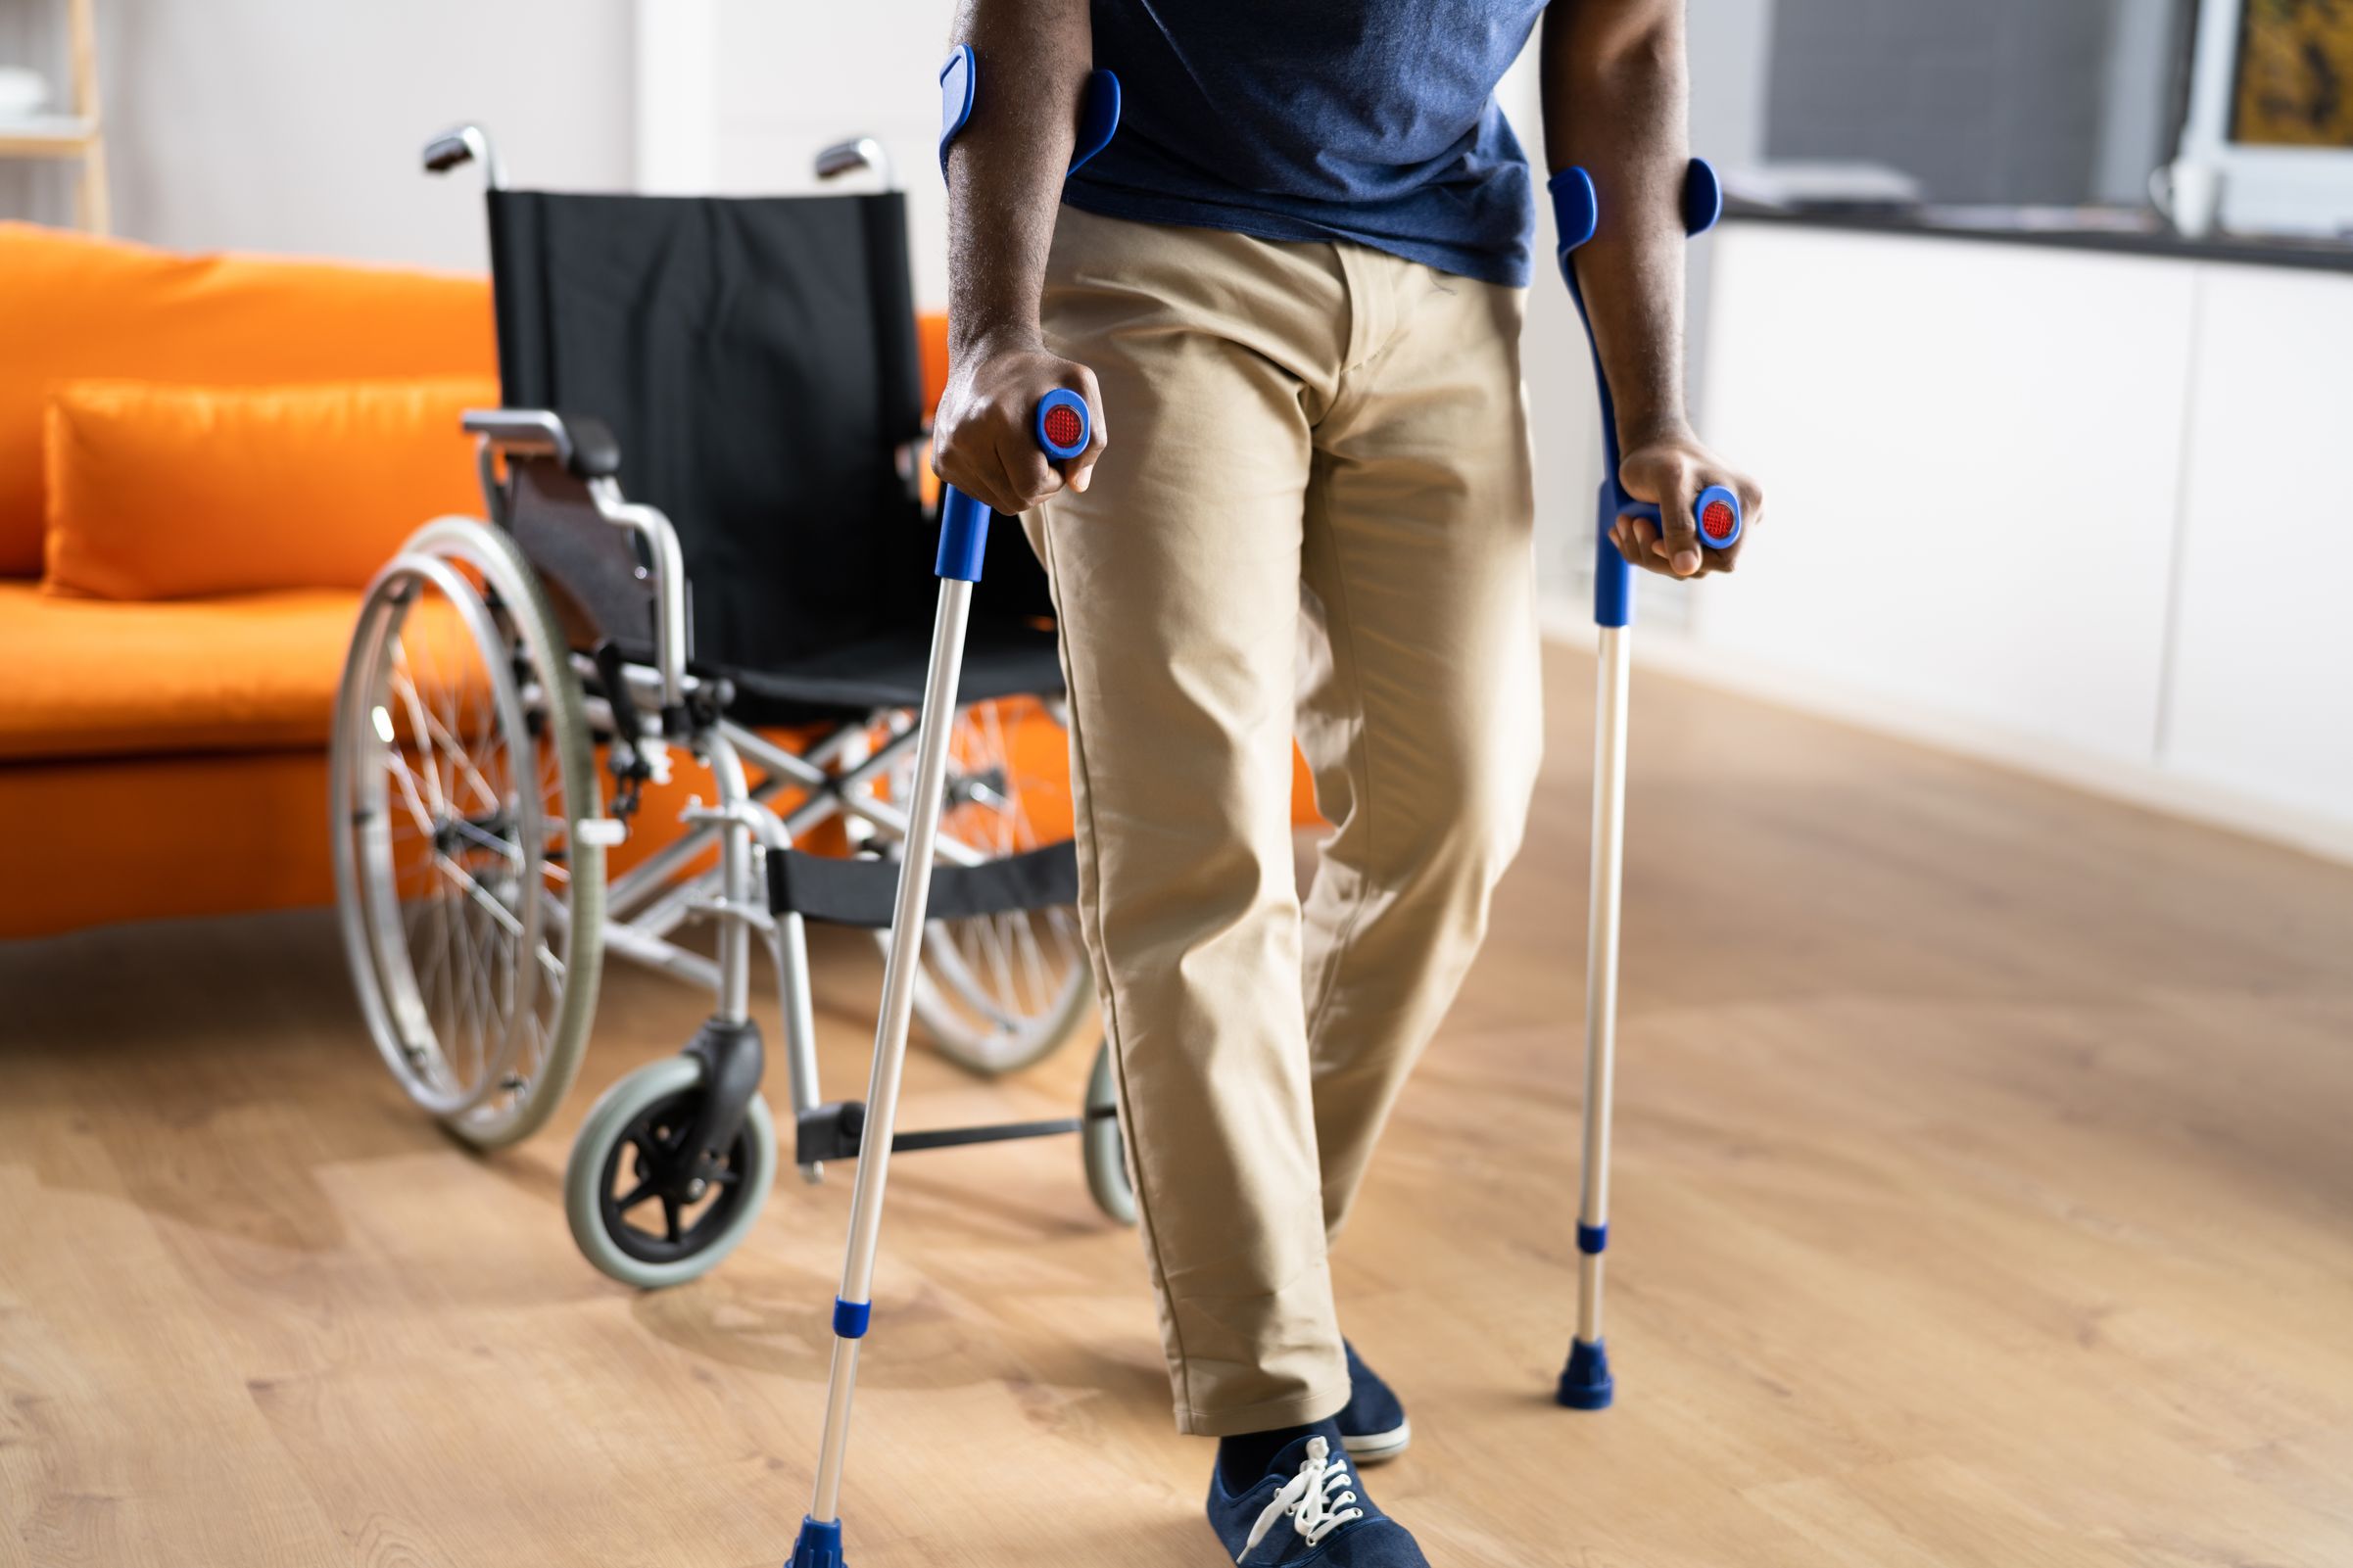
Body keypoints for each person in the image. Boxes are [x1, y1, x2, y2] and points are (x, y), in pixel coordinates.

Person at [932, 2, 1763, 1560]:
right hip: (1153, 252)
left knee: (1457, 808)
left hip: (1446, 274)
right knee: (1204, 833)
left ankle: (1256, 1265)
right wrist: (992, 330)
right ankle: (1273, 1415)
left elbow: (1627, 47)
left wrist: (1654, 416)